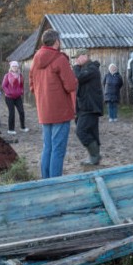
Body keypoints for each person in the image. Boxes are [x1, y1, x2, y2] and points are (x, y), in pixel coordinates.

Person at [30, 29, 78, 178]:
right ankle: (55, 182)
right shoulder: (59, 59)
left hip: (44, 110)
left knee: (47, 147)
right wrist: (76, 79)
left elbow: (31, 86)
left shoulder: (35, 60)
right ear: (57, 41)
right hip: (60, 110)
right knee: (58, 149)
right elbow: (71, 85)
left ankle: (46, 180)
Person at [72, 48, 104, 165]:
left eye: (77, 57)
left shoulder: (92, 69)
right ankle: (94, 157)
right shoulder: (86, 68)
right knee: (91, 131)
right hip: (85, 106)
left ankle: (95, 156)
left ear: (85, 56)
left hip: (90, 106)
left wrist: (75, 67)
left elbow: (79, 78)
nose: (76, 60)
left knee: (81, 131)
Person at [3, 61, 29, 135]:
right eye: (13, 66)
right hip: (9, 97)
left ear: (18, 67)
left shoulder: (20, 75)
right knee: (12, 113)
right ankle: (11, 129)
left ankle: (22, 127)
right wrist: (9, 92)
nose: (15, 67)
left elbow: (21, 85)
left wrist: (21, 91)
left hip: (18, 97)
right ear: (11, 67)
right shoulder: (7, 75)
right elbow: (4, 86)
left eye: (16, 66)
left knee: (21, 111)